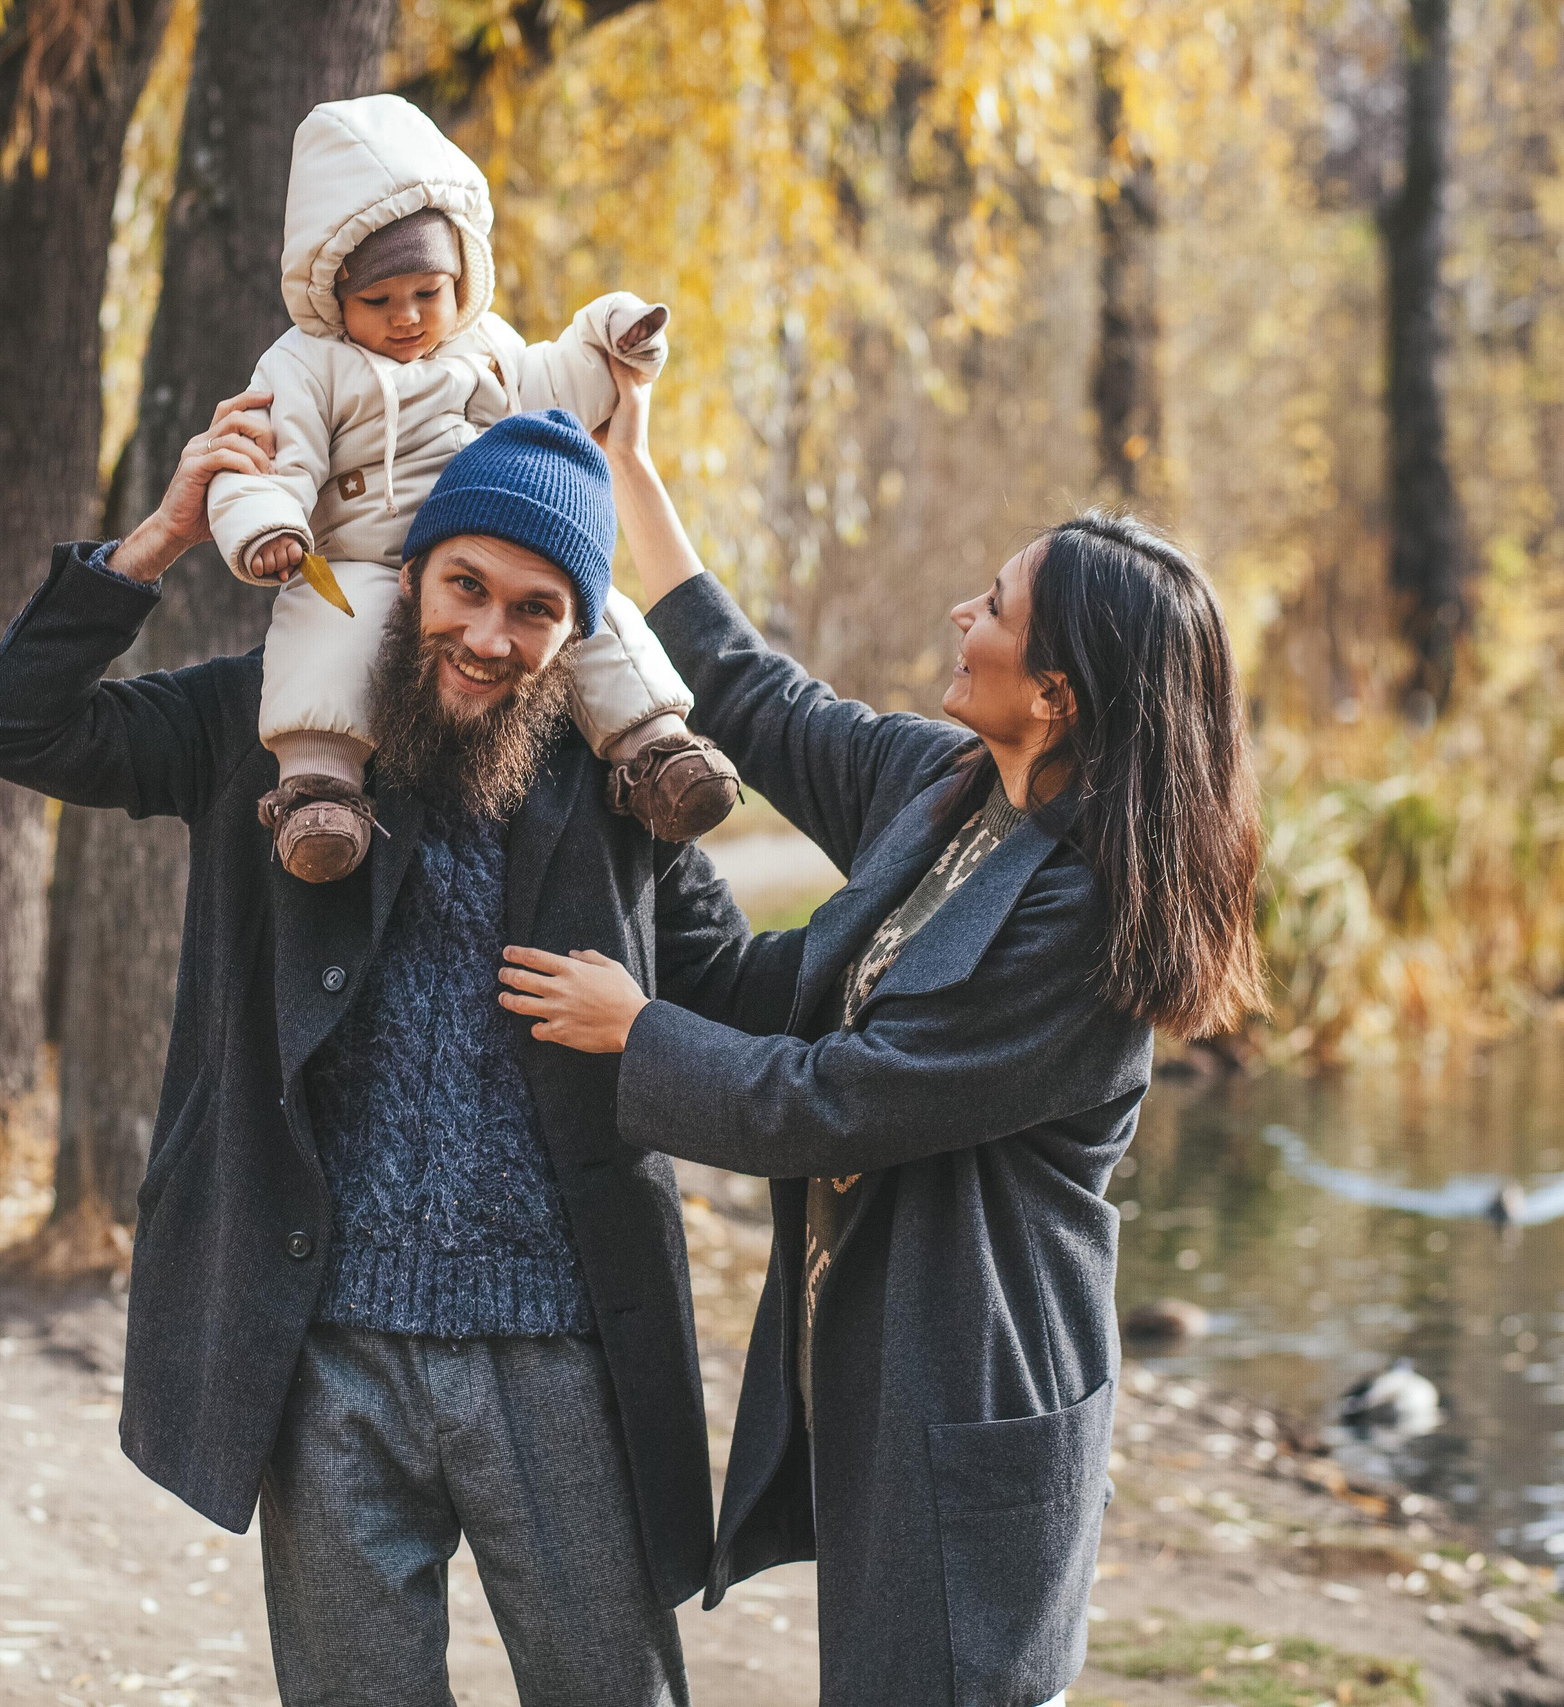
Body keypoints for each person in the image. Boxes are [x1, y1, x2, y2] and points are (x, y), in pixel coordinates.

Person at [0, 404, 756, 1706]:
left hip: (560, 1345)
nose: (492, 635)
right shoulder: (261, 723)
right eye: (467, 587)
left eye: (537, 608)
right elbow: (13, 728)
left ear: (579, 628)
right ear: (413, 571)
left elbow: (746, 983)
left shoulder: (611, 779)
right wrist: (154, 541)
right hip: (321, 1339)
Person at [497, 365, 1268, 1704]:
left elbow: (838, 1101)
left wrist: (638, 1036)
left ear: (1060, 693)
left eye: (998, 607)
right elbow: (753, 691)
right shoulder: (947, 784)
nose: (962, 612)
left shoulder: (1087, 929)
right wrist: (634, 469)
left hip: (971, 1376)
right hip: (872, 1360)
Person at [210, 93, 738, 882]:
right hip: (364, 554)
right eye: (378, 302)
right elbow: (267, 462)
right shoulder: (305, 366)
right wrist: (267, 526)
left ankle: (655, 749)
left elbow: (554, 380)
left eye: (428, 292)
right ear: (332, 295)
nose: (408, 319)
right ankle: (319, 789)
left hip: (493, 541)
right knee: (325, 632)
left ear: (461, 275)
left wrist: (614, 341)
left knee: (587, 617)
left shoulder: (486, 346)